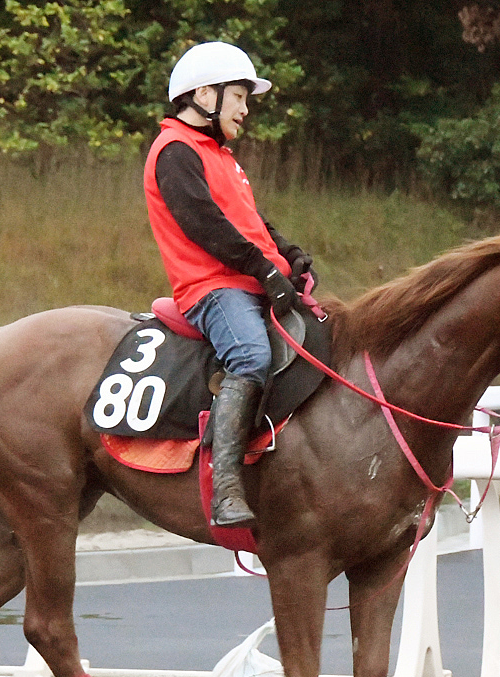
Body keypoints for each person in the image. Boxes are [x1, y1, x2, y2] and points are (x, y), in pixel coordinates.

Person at [144, 41, 314, 529]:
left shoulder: (221, 157)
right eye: (238, 96)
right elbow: (205, 225)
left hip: (249, 281)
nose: (244, 109)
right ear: (204, 94)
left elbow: (252, 223)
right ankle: (225, 486)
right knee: (251, 357)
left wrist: (292, 257)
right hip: (213, 289)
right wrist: (263, 270)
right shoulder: (174, 151)